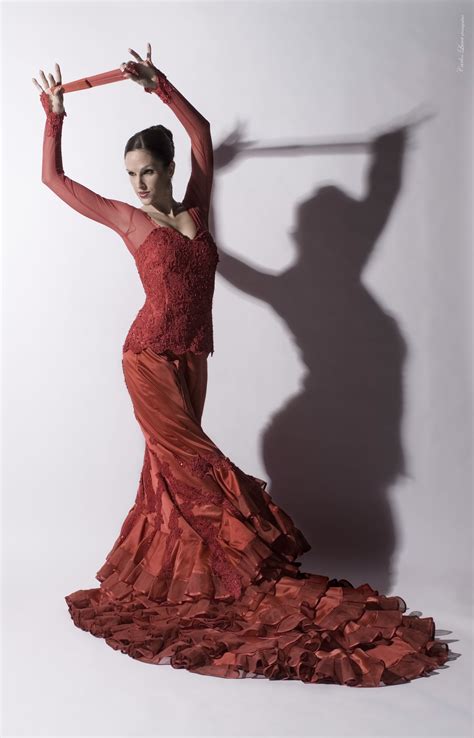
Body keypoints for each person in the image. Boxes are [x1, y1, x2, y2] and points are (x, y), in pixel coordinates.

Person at [32, 43, 451, 686]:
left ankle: (190, 580)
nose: (139, 184)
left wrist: (158, 84)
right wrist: (55, 115)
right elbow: (54, 182)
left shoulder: (198, 207)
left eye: (147, 170)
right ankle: (246, 561)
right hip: (145, 357)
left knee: (170, 481)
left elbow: (199, 133)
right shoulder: (129, 222)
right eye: (131, 174)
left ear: (168, 168)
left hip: (195, 361)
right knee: (199, 468)